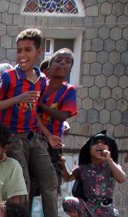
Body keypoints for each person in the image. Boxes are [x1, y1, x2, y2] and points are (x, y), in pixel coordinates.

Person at [0, 28, 65, 217]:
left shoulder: (40, 79)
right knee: (23, 183)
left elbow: (34, 112)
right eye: (19, 50)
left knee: (49, 178)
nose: (22, 55)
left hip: (34, 136)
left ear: (38, 51)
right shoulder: (8, 78)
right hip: (13, 137)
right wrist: (17, 99)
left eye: (27, 50)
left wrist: (48, 135)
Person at [62, 131, 125, 217]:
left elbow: (121, 178)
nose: (100, 146)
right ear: (89, 150)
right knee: (68, 202)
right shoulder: (82, 168)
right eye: (96, 143)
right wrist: (62, 165)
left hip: (105, 212)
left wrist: (109, 160)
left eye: (103, 143)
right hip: (87, 208)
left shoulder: (112, 166)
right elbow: (67, 177)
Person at [37, 48, 77, 187]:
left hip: (53, 145)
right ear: (49, 66)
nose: (62, 64)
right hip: (35, 139)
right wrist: (48, 135)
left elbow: (62, 115)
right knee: (32, 184)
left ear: (71, 68)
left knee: (51, 185)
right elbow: (33, 113)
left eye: (67, 62)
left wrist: (41, 105)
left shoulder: (69, 90)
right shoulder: (41, 85)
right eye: (58, 60)